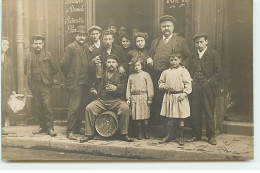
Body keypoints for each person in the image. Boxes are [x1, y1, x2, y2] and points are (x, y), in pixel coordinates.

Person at [147, 15, 191, 129]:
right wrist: (149, 58)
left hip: (174, 78)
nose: (166, 28)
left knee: (174, 104)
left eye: (168, 26)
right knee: (160, 103)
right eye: (163, 26)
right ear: (160, 28)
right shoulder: (155, 42)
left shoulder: (180, 41)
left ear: (173, 27)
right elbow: (150, 54)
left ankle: (174, 131)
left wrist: (180, 68)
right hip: (158, 76)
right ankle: (162, 130)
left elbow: (189, 57)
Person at [80, 54, 134, 143]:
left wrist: (116, 88)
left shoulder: (121, 75)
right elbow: (94, 86)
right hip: (102, 100)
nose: (111, 64)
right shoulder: (100, 74)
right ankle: (89, 134)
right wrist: (93, 91)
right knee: (89, 108)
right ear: (106, 64)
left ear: (117, 64)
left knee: (125, 108)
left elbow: (125, 88)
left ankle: (124, 134)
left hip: (116, 100)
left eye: (113, 62)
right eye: (109, 62)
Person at [183, 33, 222, 145]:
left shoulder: (213, 54)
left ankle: (211, 136)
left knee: (209, 111)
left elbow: (219, 72)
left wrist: (209, 82)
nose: (199, 45)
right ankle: (196, 134)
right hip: (195, 86)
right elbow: (184, 67)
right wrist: (189, 79)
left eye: (201, 42)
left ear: (206, 42)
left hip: (208, 87)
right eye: (197, 43)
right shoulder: (193, 56)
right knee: (195, 111)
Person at [24, 34, 59, 137]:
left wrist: (48, 77)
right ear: (32, 44)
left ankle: (50, 127)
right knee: (38, 105)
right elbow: (26, 71)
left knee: (46, 105)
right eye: (36, 43)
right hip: (34, 84)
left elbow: (55, 68)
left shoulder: (48, 55)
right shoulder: (29, 56)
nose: (38, 45)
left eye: (40, 43)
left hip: (45, 84)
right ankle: (42, 126)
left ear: (43, 44)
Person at [61, 26, 90, 140]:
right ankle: (70, 130)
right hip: (75, 82)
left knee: (81, 106)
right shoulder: (71, 47)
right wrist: (71, 76)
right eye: (80, 35)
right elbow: (64, 65)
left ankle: (78, 127)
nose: (82, 37)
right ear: (75, 36)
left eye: (84, 35)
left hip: (84, 82)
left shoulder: (85, 48)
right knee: (74, 107)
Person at [158, 53, 192, 146]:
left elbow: (188, 83)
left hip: (179, 97)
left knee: (181, 118)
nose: (173, 62)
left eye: (175, 60)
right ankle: (169, 135)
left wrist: (185, 93)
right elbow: (160, 82)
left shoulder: (183, 71)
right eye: (171, 60)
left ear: (180, 60)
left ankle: (181, 136)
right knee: (170, 118)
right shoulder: (166, 72)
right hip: (170, 97)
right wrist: (164, 86)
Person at [126, 59, 154, 140]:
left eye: (138, 65)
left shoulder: (146, 75)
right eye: (135, 66)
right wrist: (128, 98)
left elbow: (150, 86)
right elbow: (128, 88)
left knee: (145, 116)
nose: (136, 67)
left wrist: (150, 98)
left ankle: (146, 132)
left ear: (142, 66)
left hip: (143, 97)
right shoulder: (131, 76)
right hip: (134, 98)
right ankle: (139, 132)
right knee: (137, 116)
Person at [1, 37, 16, 135]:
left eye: (7, 44)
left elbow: (12, 76)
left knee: (2, 107)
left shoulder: (9, 60)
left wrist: (13, 89)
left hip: (5, 88)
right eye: (3, 44)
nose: (5, 46)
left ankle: (1, 127)